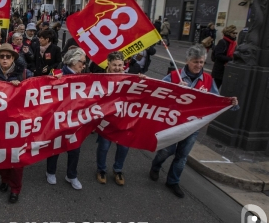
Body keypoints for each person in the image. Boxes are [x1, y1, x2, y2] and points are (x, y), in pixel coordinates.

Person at [150, 44, 238, 198]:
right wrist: (174, 88)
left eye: (202, 62)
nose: (199, 65)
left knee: (182, 155)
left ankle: (173, 181)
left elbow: (216, 100)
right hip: (173, 123)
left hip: (192, 126)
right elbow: (156, 94)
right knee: (167, 151)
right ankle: (156, 166)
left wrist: (231, 103)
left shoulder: (208, 80)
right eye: (195, 62)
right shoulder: (174, 76)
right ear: (187, 61)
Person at [0, 43, 29, 203]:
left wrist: (22, 87)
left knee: (17, 159)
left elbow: (40, 87)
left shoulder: (24, 74)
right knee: (1, 156)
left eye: (8, 56)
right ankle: (4, 180)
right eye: (2, 56)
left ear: (13, 58)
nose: (4, 59)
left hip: (17, 124)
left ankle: (15, 188)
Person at [46, 48, 87, 190]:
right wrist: (53, 81)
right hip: (57, 118)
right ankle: (50, 171)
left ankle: (71, 175)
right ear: (74, 61)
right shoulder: (57, 73)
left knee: (75, 149)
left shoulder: (85, 77)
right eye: (82, 62)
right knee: (55, 146)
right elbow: (44, 90)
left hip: (75, 119)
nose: (84, 65)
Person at [96, 51, 130, 186]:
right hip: (106, 119)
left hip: (123, 119)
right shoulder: (101, 78)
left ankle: (118, 169)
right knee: (104, 146)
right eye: (114, 65)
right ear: (108, 64)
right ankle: (101, 169)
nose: (117, 68)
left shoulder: (130, 79)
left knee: (124, 147)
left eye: (120, 65)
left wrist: (141, 80)